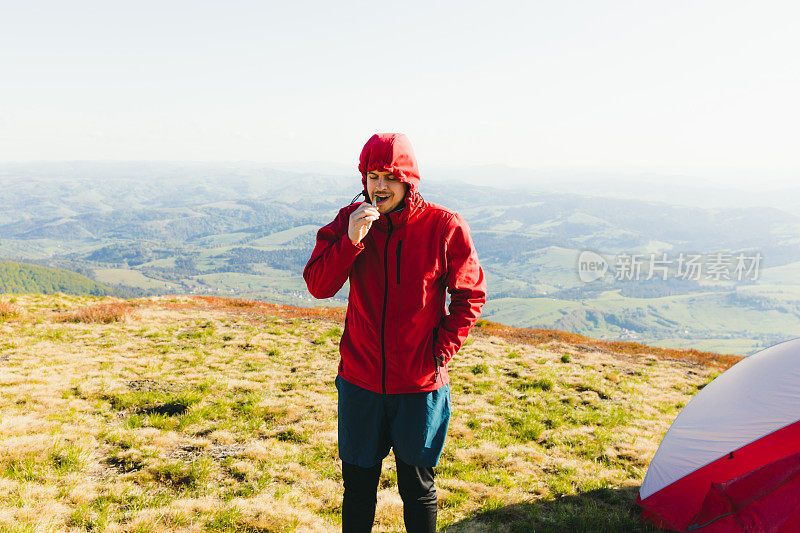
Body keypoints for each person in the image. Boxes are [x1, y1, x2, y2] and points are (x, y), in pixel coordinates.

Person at [303, 133, 487, 533]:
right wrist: (350, 242)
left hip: (419, 387)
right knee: (357, 489)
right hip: (360, 382)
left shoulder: (443, 225)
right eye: (372, 176)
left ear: (409, 181)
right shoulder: (348, 221)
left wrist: (440, 352)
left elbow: (469, 295)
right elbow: (318, 285)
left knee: (418, 490)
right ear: (363, 180)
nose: (380, 186)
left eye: (390, 176)